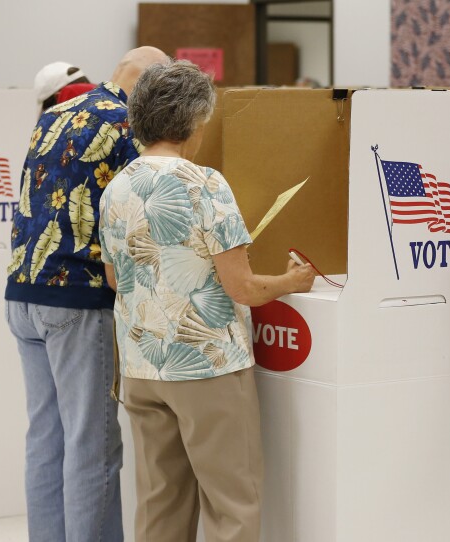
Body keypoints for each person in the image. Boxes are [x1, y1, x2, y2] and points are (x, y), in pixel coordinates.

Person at [99, 59, 316, 542]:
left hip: (141, 365)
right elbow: (242, 288)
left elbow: (116, 278)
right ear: (195, 120)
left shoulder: (115, 189)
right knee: (232, 503)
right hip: (207, 366)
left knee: (160, 504)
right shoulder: (206, 185)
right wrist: (289, 281)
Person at [5, 46, 168, 542]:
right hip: (77, 297)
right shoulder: (127, 125)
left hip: (22, 292)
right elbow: (141, 218)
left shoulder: (52, 115)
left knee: (46, 438)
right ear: (150, 86)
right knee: (91, 443)